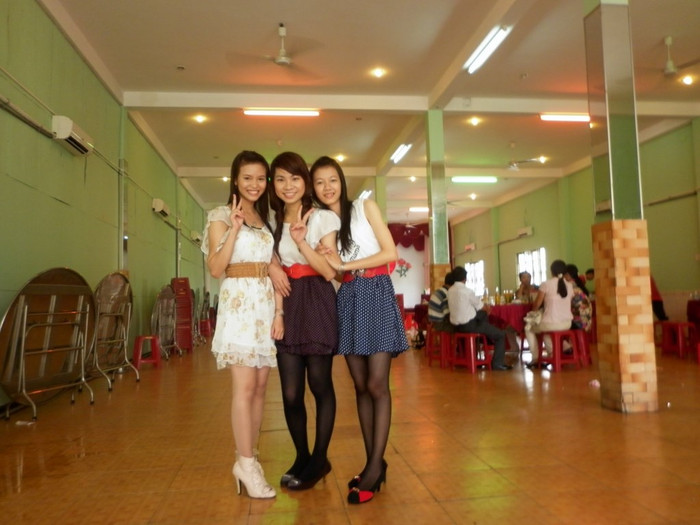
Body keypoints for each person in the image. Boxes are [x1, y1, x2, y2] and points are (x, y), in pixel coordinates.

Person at [311, 155, 408, 505]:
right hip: (349, 296)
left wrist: (346, 264)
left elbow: (390, 253)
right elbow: (337, 273)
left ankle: (373, 468)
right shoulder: (323, 223)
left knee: (377, 384)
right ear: (313, 188)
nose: (327, 187)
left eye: (332, 179)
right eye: (319, 182)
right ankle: (373, 464)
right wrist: (328, 259)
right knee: (360, 386)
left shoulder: (365, 207)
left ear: (342, 180)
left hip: (377, 291)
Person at [201, 150, 284, 499]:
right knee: (244, 387)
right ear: (235, 179)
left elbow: (275, 267)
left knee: (261, 387)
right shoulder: (220, 216)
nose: (255, 184)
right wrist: (234, 229)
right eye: (247, 177)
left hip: (263, 307)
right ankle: (246, 465)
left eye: (261, 178)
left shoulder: (266, 220)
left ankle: (249, 457)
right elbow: (216, 268)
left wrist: (279, 312)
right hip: (238, 306)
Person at [269, 151, 340, 491]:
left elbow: (329, 271)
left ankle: (319, 459)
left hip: (317, 298)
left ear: (305, 181)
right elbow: (273, 264)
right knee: (290, 392)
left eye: (295, 178)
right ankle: (302, 456)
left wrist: (302, 242)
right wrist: (273, 272)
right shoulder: (272, 221)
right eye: (281, 179)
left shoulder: (322, 218)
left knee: (320, 384)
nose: (288, 185)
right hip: (288, 302)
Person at [447, 266, 511, 370]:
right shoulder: (467, 291)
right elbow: (481, 306)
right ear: (465, 278)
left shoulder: (450, 291)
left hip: (456, 327)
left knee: (482, 316)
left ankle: (480, 344)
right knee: (501, 335)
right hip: (470, 326)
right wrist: (487, 309)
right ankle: (497, 363)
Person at [524, 259, 573, 368]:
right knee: (546, 332)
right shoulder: (569, 285)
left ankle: (535, 358)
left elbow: (537, 304)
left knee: (528, 327)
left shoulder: (546, 284)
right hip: (567, 323)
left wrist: (533, 312)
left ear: (551, 271)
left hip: (552, 323)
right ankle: (558, 351)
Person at [565, 264, 592, 332]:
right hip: (587, 323)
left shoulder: (569, 286)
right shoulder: (579, 285)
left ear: (567, 274)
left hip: (578, 323)